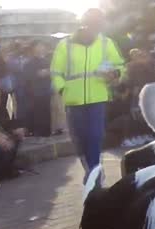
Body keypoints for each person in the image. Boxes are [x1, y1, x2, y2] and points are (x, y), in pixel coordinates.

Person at [50, 8, 125, 183]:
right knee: (79, 139)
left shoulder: (107, 43)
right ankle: (90, 168)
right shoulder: (65, 45)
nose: (97, 27)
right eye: (94, 23)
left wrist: (114, 74)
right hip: (73, 100)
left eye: (99, 24)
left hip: (97, 99)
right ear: (84, 24)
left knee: (95, 136)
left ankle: (94, 173)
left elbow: (120, 66)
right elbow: (55, 72)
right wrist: (63, 90)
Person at [24, 40, 52, 137]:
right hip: (36, 92)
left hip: (46, 91)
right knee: (38, 113)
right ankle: (38, 132)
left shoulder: (46, 60)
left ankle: (47, 132)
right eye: (39, 46)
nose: (41, 48)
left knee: (47, 111)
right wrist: (41, 73)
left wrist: (46, 72)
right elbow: (30, 76)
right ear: (34, 48)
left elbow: (51, 72)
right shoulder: (29, 63)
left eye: (42, 46)